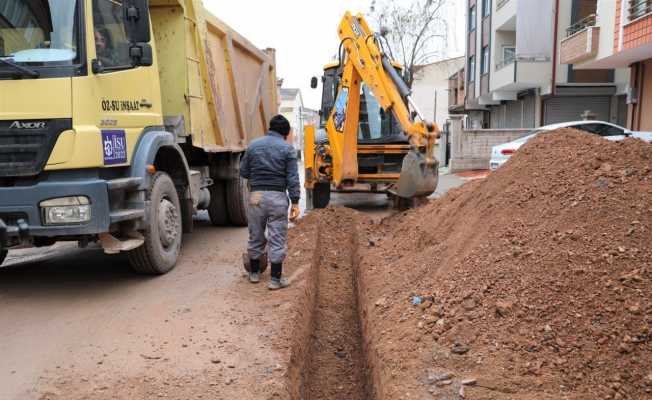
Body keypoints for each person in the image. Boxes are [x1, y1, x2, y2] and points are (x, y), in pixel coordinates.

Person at [240, 115, 301, 290]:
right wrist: (295, 202)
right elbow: (292, 178)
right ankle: (275, 279)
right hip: (277, 197)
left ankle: (254, 274)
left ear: (270, 128)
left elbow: (244, 172)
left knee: (255, 234)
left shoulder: (253, 145)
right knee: (277, 238)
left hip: (256, 196)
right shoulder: (288, 149)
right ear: (285, 132)